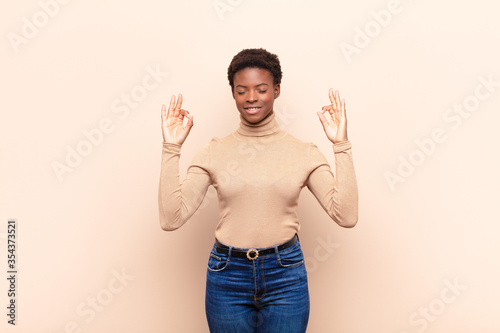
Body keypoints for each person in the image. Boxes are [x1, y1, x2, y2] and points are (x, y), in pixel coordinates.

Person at [158, 48, 358, 332]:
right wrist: (172, 147)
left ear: (276, 90)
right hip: (227, 276)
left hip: (285, 276)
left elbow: (346, 215)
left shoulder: (303, 153)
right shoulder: (214, 152)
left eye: (261, 89)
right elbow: (171, 218)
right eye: (242, 90)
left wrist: (341, 144)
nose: (251, 97)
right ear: (234, 94)